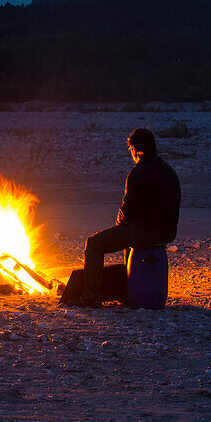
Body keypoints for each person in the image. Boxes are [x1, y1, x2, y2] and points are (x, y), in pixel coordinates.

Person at [66, 127, 181, 308]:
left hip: (146, 231)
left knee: (94, 244)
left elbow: (126, 211)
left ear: (134, 149)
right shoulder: (168, 171)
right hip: (167, 232)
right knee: (128, 241)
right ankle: (130, 290)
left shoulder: (139, 172)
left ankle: (90, 297)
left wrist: (119, 227)